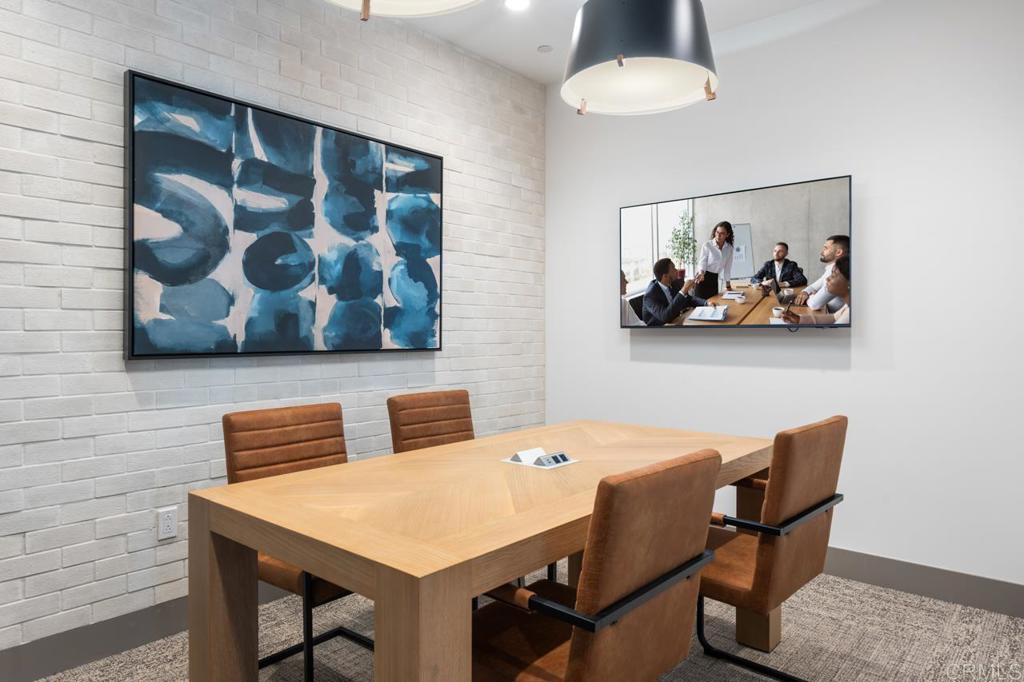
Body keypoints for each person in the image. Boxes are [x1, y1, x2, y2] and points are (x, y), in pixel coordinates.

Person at [783, 255, 850, 325]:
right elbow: (834, 317)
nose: (827, 279)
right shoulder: (847, 306)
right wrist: (798, 319)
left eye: (833, 275)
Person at [642, 258, 709, 326]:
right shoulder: (650, 296)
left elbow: (689, 299)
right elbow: (665, 317)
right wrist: (684, 290)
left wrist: (706, 303)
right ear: (665, 276)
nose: (677, 270)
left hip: (677, 321)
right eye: (673, 269)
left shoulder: (674, 283)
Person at [794, 235, 849, 311]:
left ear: (838, 252)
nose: (821, 252)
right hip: (826, 313)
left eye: (826, 248)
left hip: (833, 318)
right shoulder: (831, 269)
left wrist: (811, 296)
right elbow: (813, 287)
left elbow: (814, 304)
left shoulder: (839, 273)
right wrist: (805, 292)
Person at [694, 221, 735, 300]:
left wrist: (728, 286)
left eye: (722, 233)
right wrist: (701, 273)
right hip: (702, 278)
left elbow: (727, 268)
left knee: (713, 304)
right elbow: (703, 262)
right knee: (700, 305)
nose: (718, 235)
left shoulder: (729, 248)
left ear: (727, 235)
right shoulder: (707, 245)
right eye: (717, 232)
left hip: (714, 280)